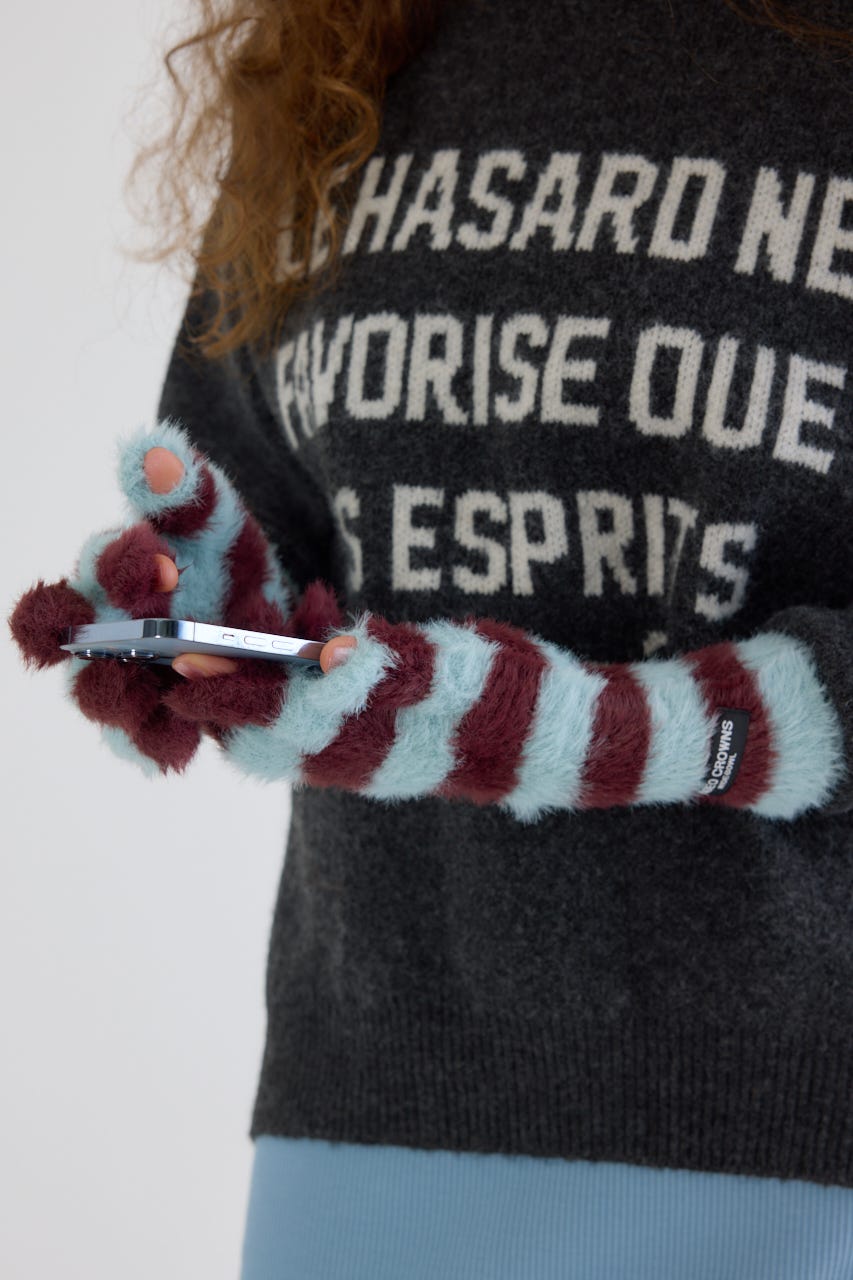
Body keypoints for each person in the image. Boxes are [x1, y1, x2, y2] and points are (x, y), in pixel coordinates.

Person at [10, 0, 853, 1275]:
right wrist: (203, 615)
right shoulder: (333, 67)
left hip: (798, 1152)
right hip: (362, 1124)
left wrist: (628, 732)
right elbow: (260, 510)